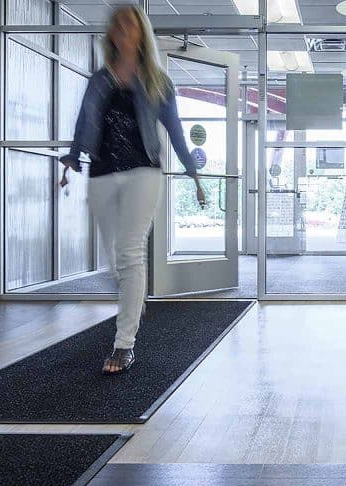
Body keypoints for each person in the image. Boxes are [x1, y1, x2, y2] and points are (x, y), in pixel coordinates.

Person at [59, 6, 204, 375]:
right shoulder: (99, 79)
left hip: (143, 171)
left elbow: (175, 130)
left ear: (141, 33)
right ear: (112, 34)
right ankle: (134, 299)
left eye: (131, 23)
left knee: (129, 253)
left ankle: (124, 345)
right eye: (118, 23)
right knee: (115, 259)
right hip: (102, 172)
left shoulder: (157, 81)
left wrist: (193, 173)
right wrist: (72, 159)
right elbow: (84, 121)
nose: (123, 28)